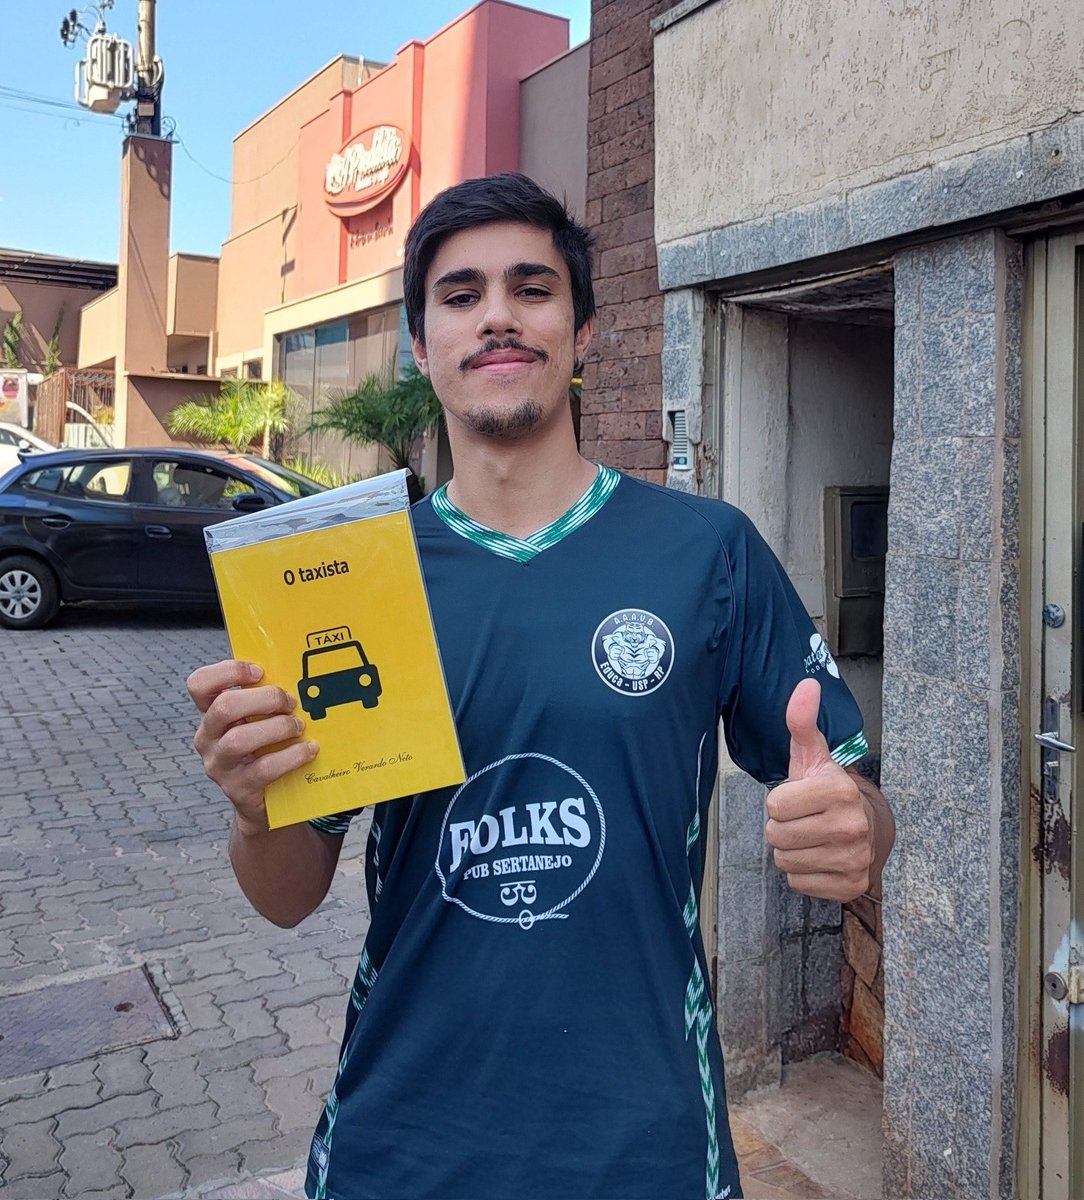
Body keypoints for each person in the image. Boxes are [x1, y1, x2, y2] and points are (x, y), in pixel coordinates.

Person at [188, 173, 895, 1200]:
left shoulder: (705, 553)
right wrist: (255, 815)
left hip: (645, 1144)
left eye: (531, 287)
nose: (499, 316)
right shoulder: (349, 581)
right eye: (461, 294)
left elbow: (858, 806)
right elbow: (289, 897)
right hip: (404, 1143)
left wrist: (854, 827)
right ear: (422, 345)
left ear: (583, 328)